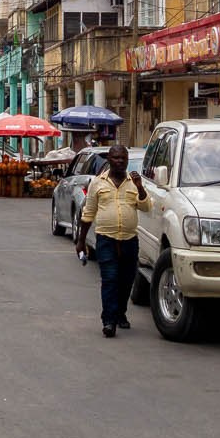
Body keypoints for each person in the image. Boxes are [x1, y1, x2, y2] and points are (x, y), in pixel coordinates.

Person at [75, 143, 150, 337]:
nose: (120, 162)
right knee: (109, 280)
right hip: (106, 239)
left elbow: (146, 207)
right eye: (116, 158)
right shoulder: (98, 183)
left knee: (126, 281)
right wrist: (81, 241)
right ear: (109, 160)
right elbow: (88, 212)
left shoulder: (134, 182)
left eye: (123, 158)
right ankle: (108, 321)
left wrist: (141, 188)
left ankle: (120, 313)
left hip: (129, 239)